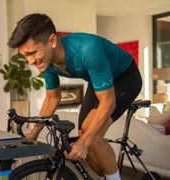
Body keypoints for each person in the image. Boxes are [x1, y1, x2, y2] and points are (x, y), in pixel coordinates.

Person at [8, 13, 142, 180]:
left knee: (92, 137)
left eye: (33, 53)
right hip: (99, 80)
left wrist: (85, 142)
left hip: (125, 76)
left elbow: (108, 102)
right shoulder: (46, 61)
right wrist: (35, 131)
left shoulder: (86, 49)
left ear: (52, 41)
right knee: (84, 133)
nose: (30, 61)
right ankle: (108, 172)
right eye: (25, 56)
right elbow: (52, 98)